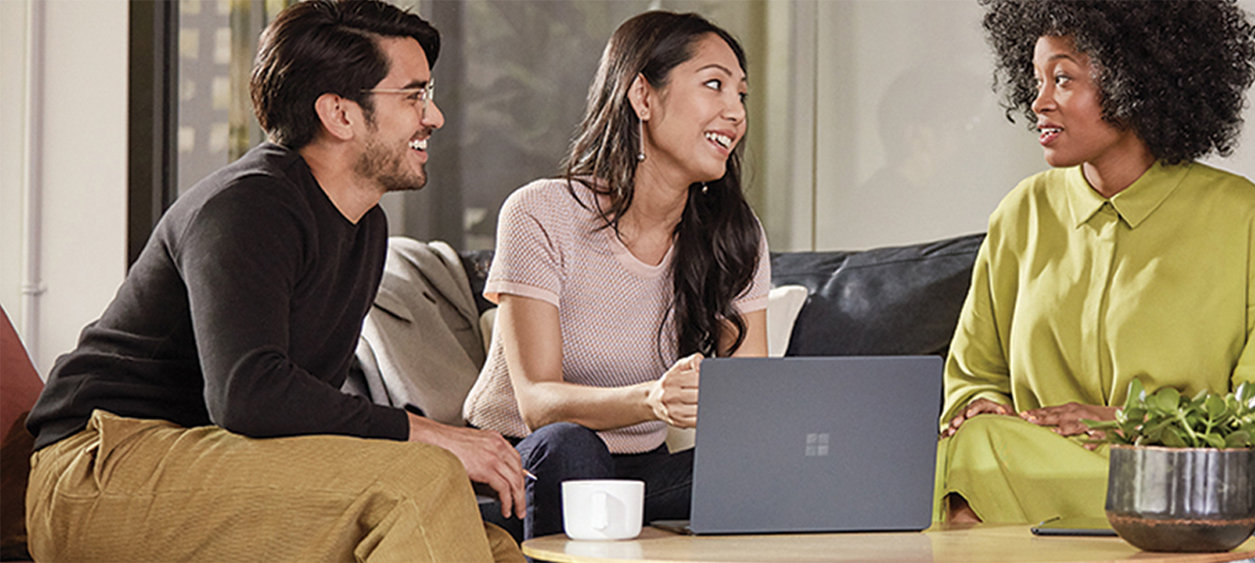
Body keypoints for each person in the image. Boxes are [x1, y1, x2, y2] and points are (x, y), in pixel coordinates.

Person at [23, 1, 523, 561]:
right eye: (414, 96)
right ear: (339, 114)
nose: (434, 117)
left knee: (488, 541)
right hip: (100, 468)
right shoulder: (247, 206)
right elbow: (248, 395)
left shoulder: (363, 226)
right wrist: (428, 434)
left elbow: (296, 407)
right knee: (418, 483)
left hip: (211, 457)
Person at [936, 0, 1255, 524]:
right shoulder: (1022, 215)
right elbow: (973, 373)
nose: (1039, 102)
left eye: (1063, 79)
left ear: (1134, 81)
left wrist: (1129, 422)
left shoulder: (1238, 217)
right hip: (1034, 469)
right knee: (966, 449)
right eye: (1036, 80)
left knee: (969, 468)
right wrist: (979, 405)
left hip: (1182, 481)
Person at [460, 11, 769, 541]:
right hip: (521, 462)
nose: (734, 112)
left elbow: (750, 399)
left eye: (741, 95)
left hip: (639, 471)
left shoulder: (733, 235)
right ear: (642, 97)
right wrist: (653, 400)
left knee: (765, 468)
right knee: (570, 445)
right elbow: (538, 404)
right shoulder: (540, 213)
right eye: (714, 85)